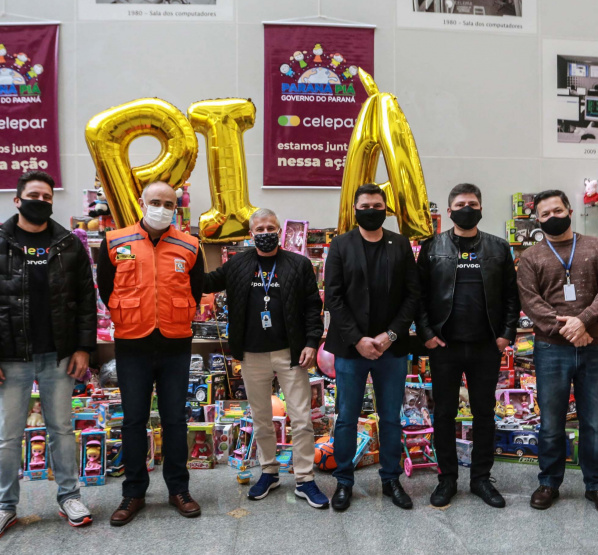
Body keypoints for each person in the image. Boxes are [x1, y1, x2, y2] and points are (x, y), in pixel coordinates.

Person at [0, 171, 97, 543]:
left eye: (47, 196)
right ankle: (3, 506)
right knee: (8, 435)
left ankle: (70, 497)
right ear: (17, 200)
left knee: (62, 430)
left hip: (59, 355)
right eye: (34, 194)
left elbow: (86, 300)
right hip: (9, 357)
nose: (41, 200)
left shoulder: (69, 244)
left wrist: (84, 348)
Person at [202, 208, 328, 508]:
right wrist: (191, 246)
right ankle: (269, 471)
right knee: (261, 419)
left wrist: (312, 342)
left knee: (301, 419)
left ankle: (305, 478)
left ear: (279, 231)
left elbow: (313, 306)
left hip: (291, 354)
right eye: (259, 229)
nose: (265, 232)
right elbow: (205, 283)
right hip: (251, 354)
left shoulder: (298, 265)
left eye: (271, 227)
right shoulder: (237, 265)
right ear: (250, 234)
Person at [96, 181, 204, 526]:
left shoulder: (190, 245)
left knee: (175, 420)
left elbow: (196, 290)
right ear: (142, 202)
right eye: (155, 201)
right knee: (133, 421)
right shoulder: (115, 242)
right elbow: (105, 287)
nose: (161, 208)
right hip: (132, 343)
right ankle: (133, 493)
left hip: (175, 344)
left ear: (177, 208)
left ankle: (178, 490)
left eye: (168, 203)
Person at [416, 183, 520, 508]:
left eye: (472, 203)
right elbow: (418, 296)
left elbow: (511, 298)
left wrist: (505, 335)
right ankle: (447, 479)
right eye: (460, 203)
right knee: (444, 414)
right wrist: (427, 334)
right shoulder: (432, 247)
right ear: (449, 211)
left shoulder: (499, 248)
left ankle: (480, 479)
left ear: (481, 207)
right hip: (443, 346)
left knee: (484, 414)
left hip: (485, 346)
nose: (467, 208)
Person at [517, 189, 598, 517]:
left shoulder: (597, 247)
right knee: (550, 422)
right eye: (545, 214)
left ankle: (596, 486)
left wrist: (584, 322)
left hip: (594, 346)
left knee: (592, 421)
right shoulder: (531, 257)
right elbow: (530, 303)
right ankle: (548, 482)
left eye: (557, 210)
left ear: (570, 210)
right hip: (551, 350)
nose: (552, 217)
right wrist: (569, 330)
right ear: (537, 219)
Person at [324, 184, 421, 511]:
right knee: (347, 416)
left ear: (385, 208)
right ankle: (344, 481)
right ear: (355, 210)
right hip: (351, 350)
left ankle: (391, 478)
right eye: (365, 205)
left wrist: (390, 335)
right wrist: (358, 339)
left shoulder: (400, 243)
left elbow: (412, 295)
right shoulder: (340, 245)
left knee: (391, 417)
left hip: (391, 349)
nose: (371, 210)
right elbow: (333, 297)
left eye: (377, 205)